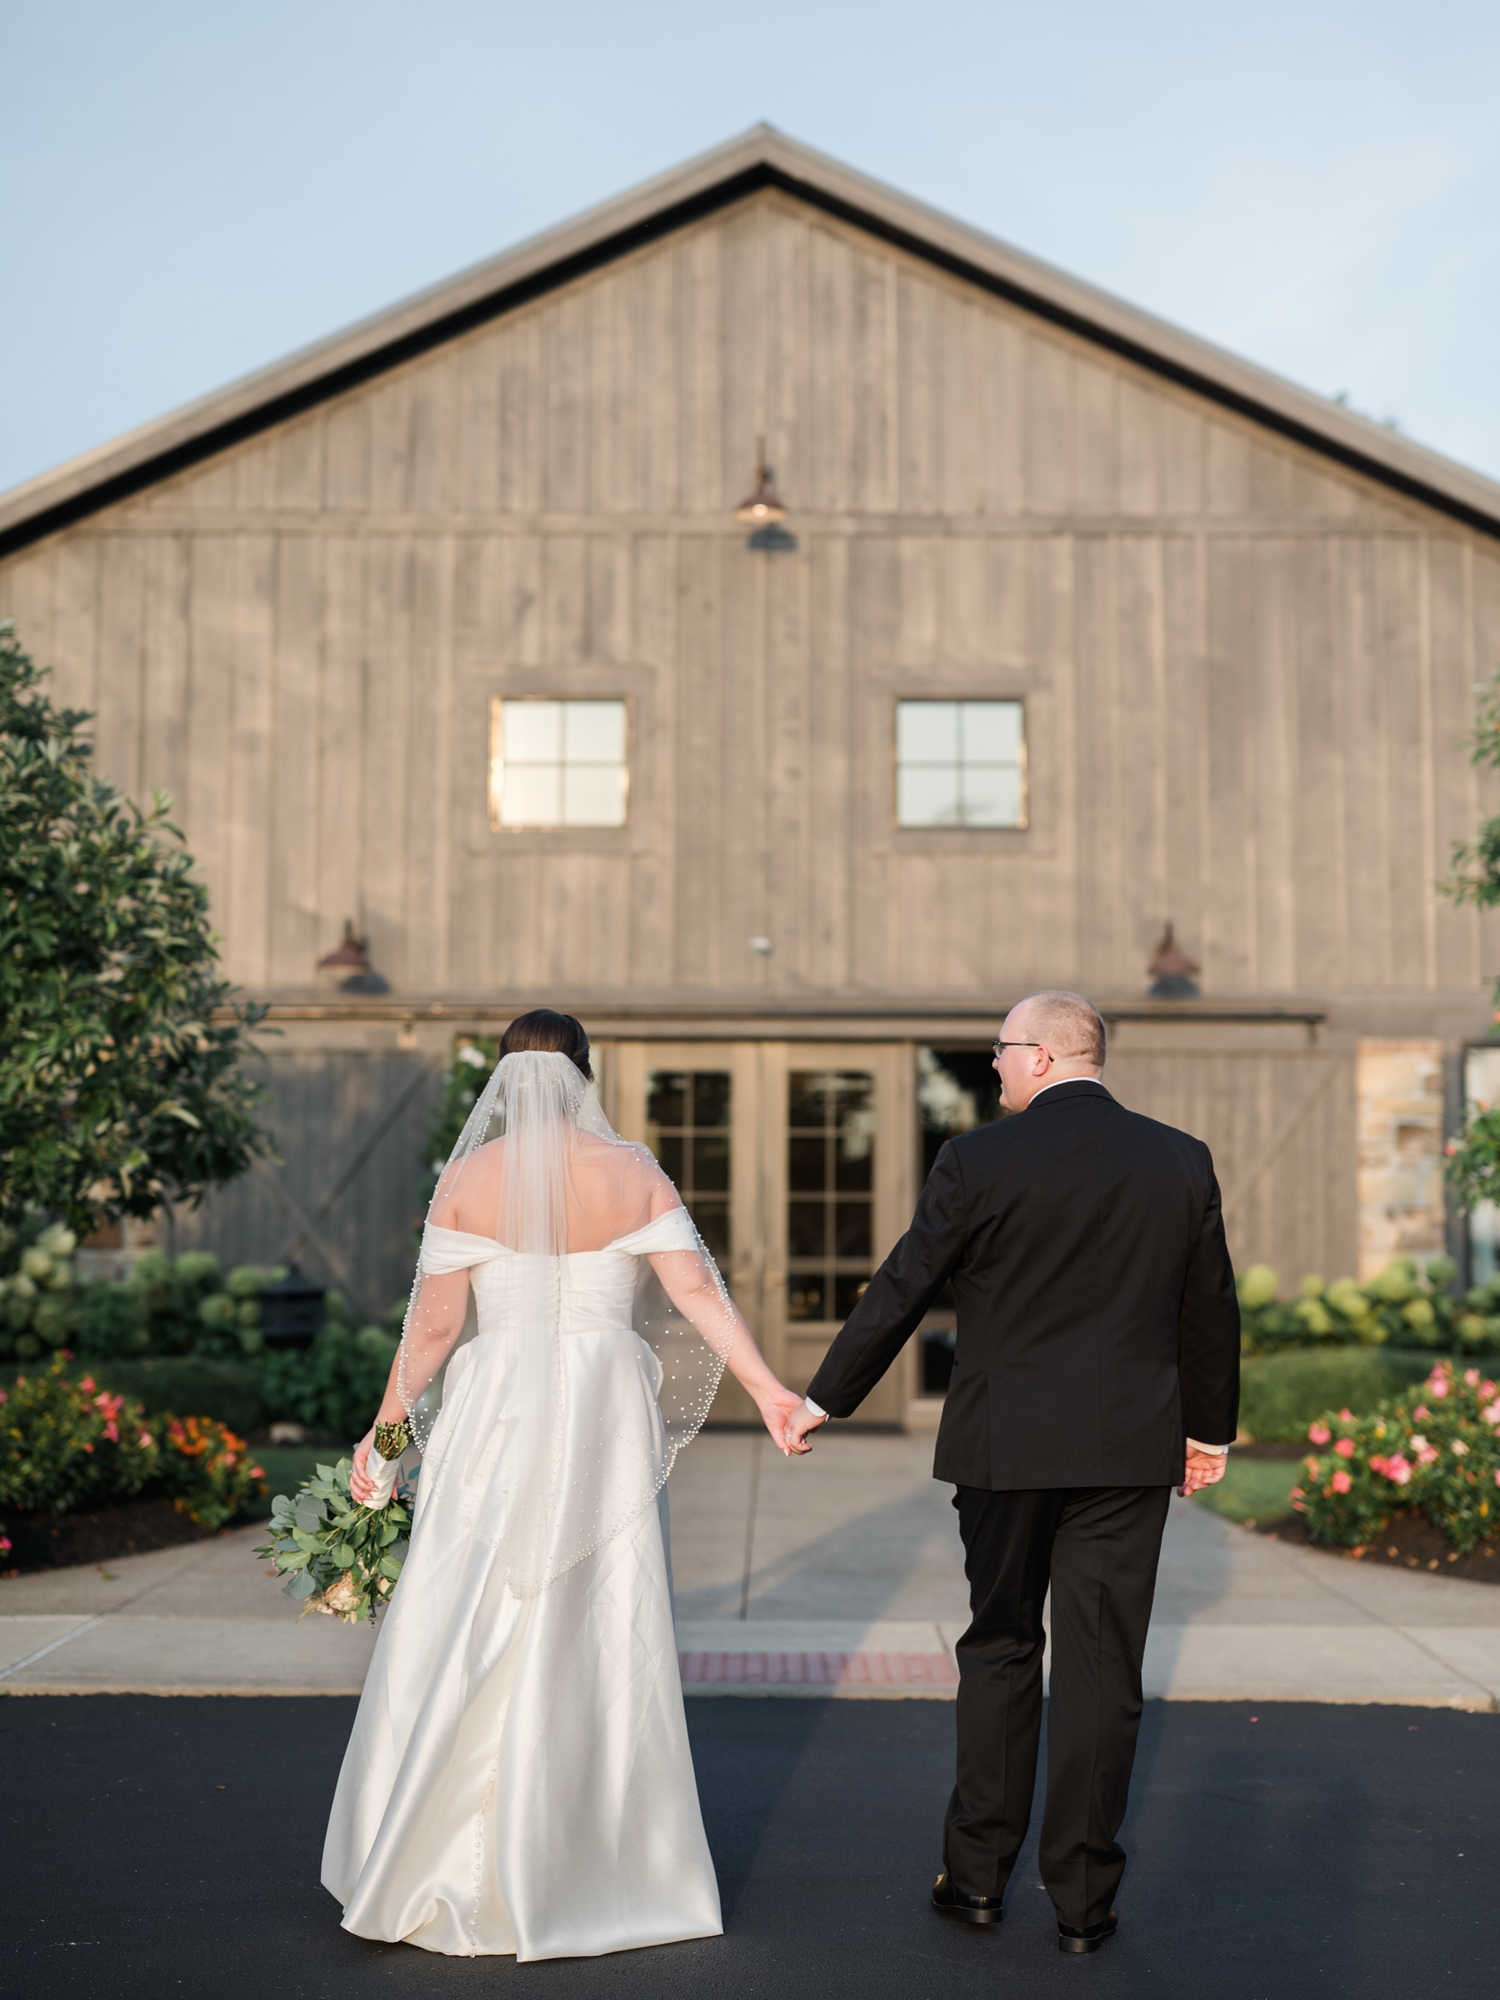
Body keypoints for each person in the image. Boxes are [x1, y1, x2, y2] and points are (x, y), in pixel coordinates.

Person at [323, 1010, 809, 1961]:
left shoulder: (468, 1178)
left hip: (496, 1404)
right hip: (600, 1407)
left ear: (504, 1084)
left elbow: (430, 1332)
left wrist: (383, 1442)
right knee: (595, 1605)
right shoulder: (632, 1170)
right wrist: (773, 1392)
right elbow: (698, 1294)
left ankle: (434, 1846)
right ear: (586, 1076)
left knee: (471, 1600)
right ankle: (594, 1859)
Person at [785, 990, 1240, 1956]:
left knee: (998, 1647)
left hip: (1004, 1449)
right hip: (1127, 1453)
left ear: (1040, 1056)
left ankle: (979, 1878)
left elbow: (907, 1279)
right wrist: (1211, 1433)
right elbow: (1209, 1310)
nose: (991, 1065)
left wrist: (825, 1396)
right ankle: (1084, 1904)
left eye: (999, 1050)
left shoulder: (978, 1159)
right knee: (1103, 1667)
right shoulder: (1178, 1159)